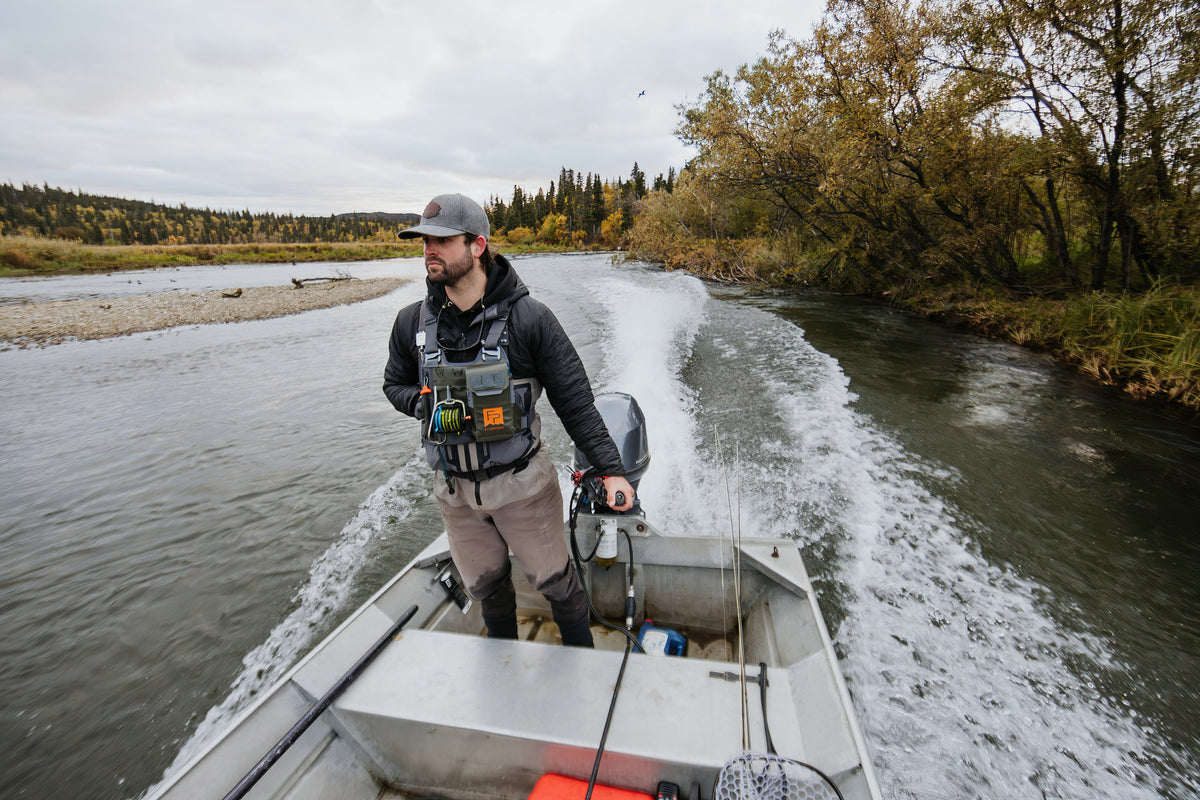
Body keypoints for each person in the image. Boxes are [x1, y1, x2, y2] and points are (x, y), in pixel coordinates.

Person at [383, 193, 635, 647]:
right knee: (486, 589)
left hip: (522, 487)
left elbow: (575, 403)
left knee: (558, 584)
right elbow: (393, 385)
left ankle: (582, 663)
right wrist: (424, 405)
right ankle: (503, 669)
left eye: (442, 241)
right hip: (455, 492)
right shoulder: (409, 324)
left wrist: (612, 470)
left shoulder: (530, 319)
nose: (429, 251)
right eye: (424, 242)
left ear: (477, 246)